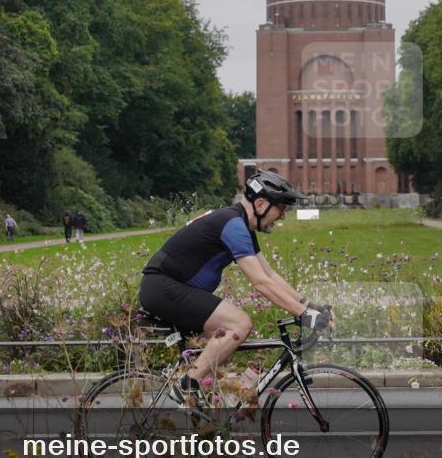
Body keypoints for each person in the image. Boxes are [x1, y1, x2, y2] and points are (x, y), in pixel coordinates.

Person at [139, 170, 332, 408]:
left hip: (167, 288)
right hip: (163, 287)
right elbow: (260, 283)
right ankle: (187, 387)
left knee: (220, 356)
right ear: (260, 203)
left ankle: (207, 425)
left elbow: (269, 274)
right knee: (239, 323)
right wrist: (304, 315)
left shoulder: (239, 224)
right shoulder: (233, 225)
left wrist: (307, 305)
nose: (282, 216)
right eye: (281, 208)